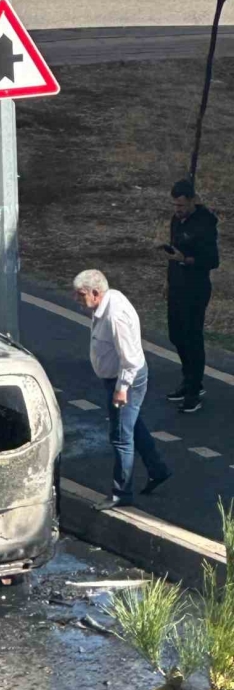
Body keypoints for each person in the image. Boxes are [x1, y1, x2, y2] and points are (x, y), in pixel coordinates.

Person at [73, 269, 171, 511]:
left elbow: (130, 359)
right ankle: (158, 469)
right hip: (119, 378)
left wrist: (122, 389)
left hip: (126, 379)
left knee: (120, 438)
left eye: (80, 295)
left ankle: (121, 493)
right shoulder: (108, 301)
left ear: (95, 293)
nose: (77, 300)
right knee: (132, 425)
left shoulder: (114, 316)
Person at [164, 178, 219, 414]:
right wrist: (168, 280)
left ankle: (194, 390)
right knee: (176, 335)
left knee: (192, 338)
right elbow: (174, 251)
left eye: (182, 206)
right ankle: (189, 378)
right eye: (175, 206)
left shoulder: (205, 225)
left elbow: (212, 261)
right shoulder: (175, 221)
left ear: (193, 201)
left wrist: (186, 260)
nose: (178, 211)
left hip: (195, 288)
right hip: (177, 284)